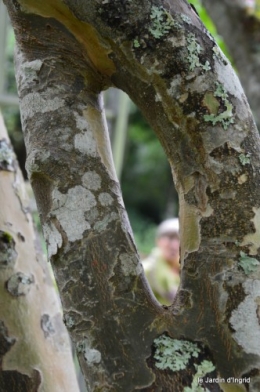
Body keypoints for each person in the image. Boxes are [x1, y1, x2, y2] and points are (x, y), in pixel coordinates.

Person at [142, 218, 180, 306]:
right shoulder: (145, 271)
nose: (174, 245)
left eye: (179, 239)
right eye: (170, 238)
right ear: (158, 241)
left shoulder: (189, 272)